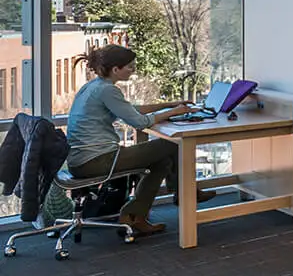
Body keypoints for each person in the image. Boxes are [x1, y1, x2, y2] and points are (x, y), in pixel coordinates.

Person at [66, 45, 208, 237]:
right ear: (116, 69)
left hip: (82, 159)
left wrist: (169, 104)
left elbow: (130, 110)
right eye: (130, 67)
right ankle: (186, 194)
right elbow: (139, 122)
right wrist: (175, 112)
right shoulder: (107, 90)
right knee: (173, 144)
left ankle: (134, 216)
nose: (133, 71)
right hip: (97, 160)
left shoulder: (93, 87)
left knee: (163, 161)